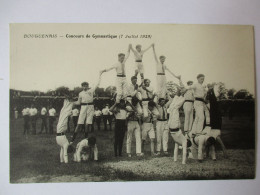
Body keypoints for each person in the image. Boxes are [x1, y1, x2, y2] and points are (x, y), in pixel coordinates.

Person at [72, 71, 103, 140]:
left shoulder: (91, 90)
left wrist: (100, 75)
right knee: (80, 123)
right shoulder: (80, 93)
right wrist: (72, 102)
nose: (85, 87)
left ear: (88, 86)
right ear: (82, 86)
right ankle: (73, 138)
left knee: (88, 123)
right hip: (83, 107)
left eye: (86, 85)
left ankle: (86, 138)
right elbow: (78, 102)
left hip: (90, 107)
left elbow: (97, 84)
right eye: (83, 86)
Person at [167, 88, 192, 164]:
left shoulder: (184, 141)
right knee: (173, 107)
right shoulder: (179, 141)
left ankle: (181, 95)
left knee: (174, 107)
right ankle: (180, 94)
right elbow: (180, 151)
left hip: (174, 126)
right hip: (172, 128)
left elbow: (183, 152)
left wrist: (183, 162)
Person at [56, 93, 77, 164]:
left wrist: (66, 162)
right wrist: (65, 162)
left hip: (61, 132)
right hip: (59, 134)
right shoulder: (66, 144)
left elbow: (65, 153)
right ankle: (67, 101)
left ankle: (67, 101)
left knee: (64, 114)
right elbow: (64, 152)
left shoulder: (66, 144)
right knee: (63, 114)